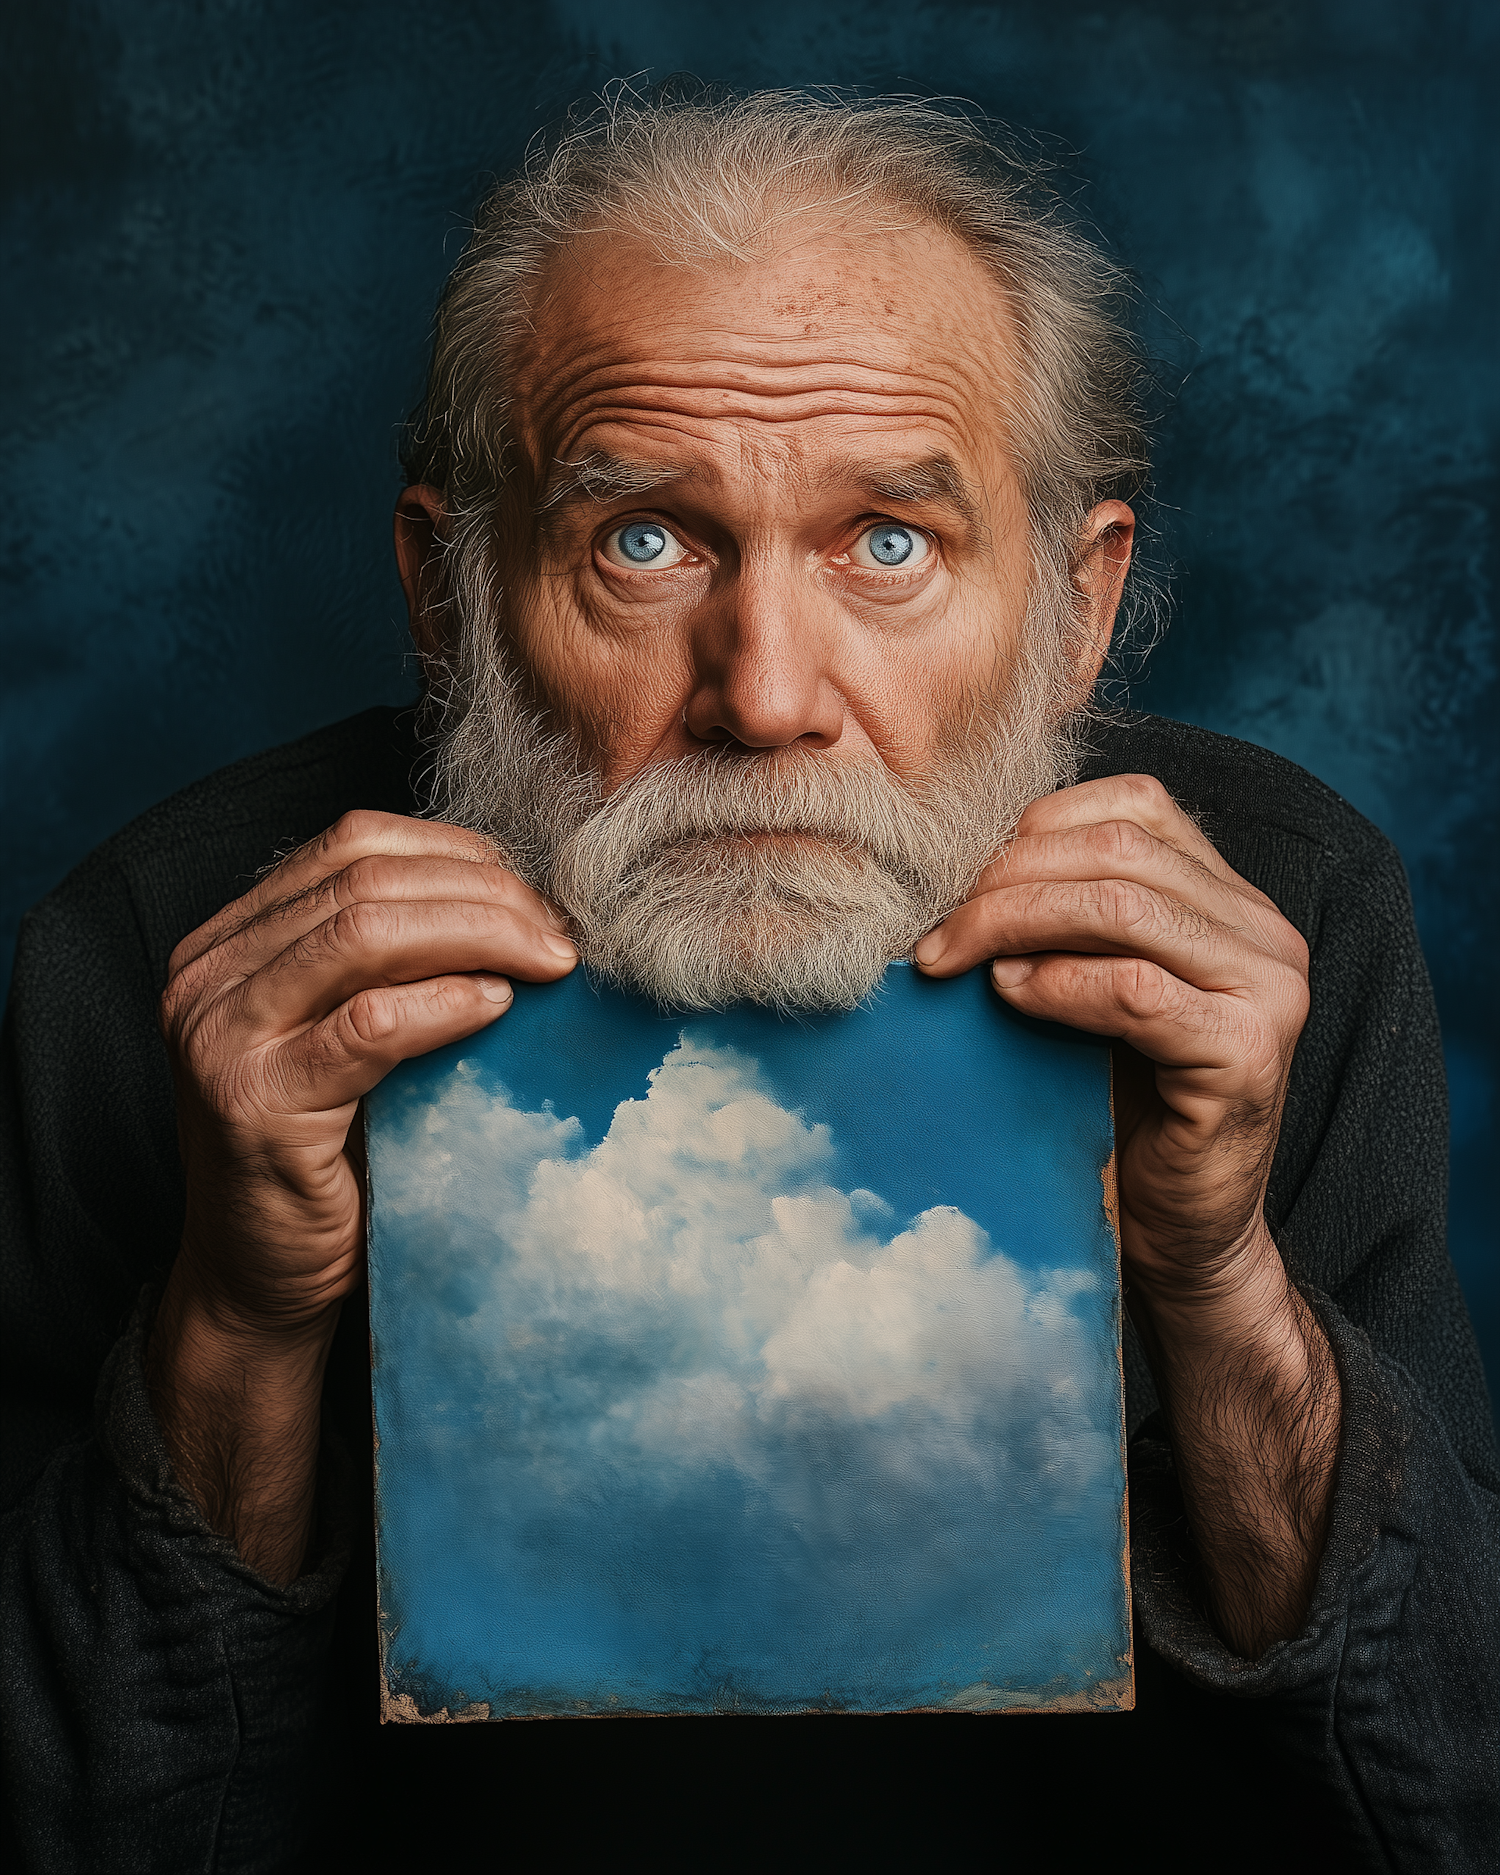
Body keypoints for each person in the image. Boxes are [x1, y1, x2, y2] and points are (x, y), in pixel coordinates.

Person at [2, 90, 1494, 1874]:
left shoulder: (1278, 913)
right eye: (645, 540)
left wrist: (1216, 1274)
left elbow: (1448, 1798)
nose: (767, 694)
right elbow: (81, 1818)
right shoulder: (170, 949)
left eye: (888, 541)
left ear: (1075, 606)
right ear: (452, 593)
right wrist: (239, 1317)